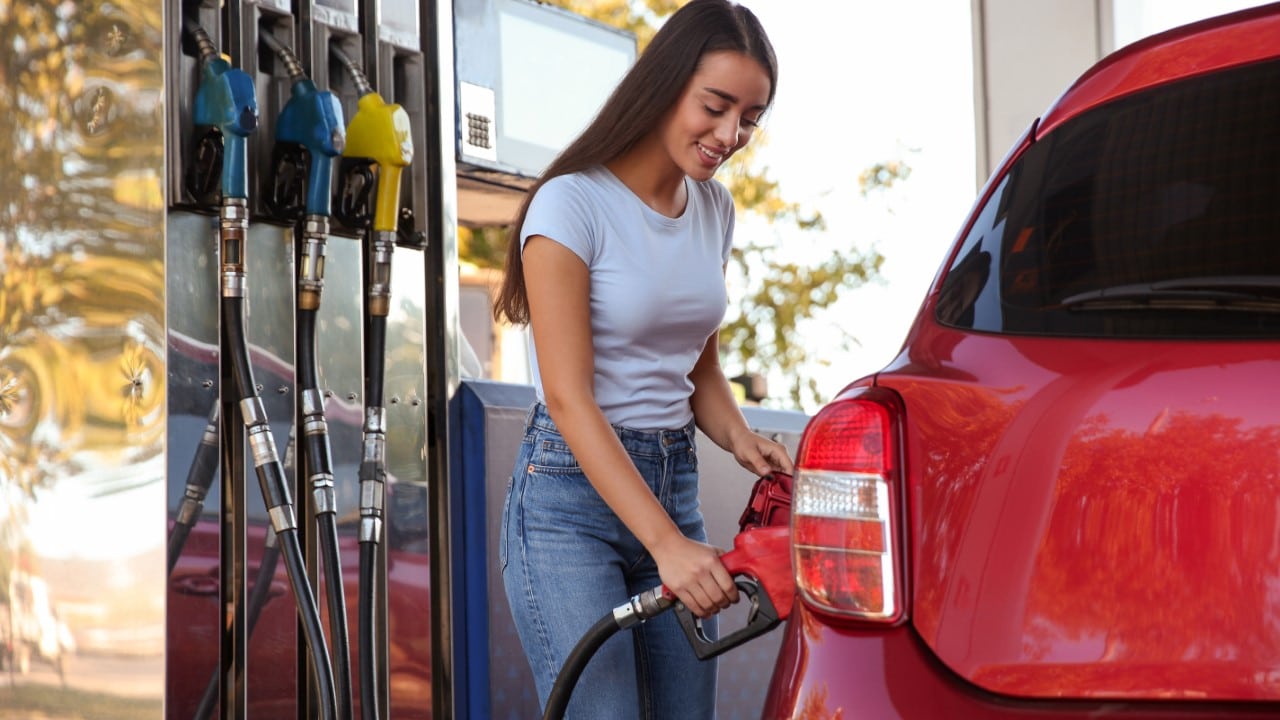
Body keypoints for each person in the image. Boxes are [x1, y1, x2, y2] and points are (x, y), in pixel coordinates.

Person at [492, 1, 794, 717]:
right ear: (665, 85)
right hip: (570, 507)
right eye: (715, 107)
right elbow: (568, 398)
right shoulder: (572, 205)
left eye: (749, 118)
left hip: (673, 484)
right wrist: (664, 544)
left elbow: (700, 370)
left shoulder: (713, 209)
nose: (730, 135)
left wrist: (740, 438)